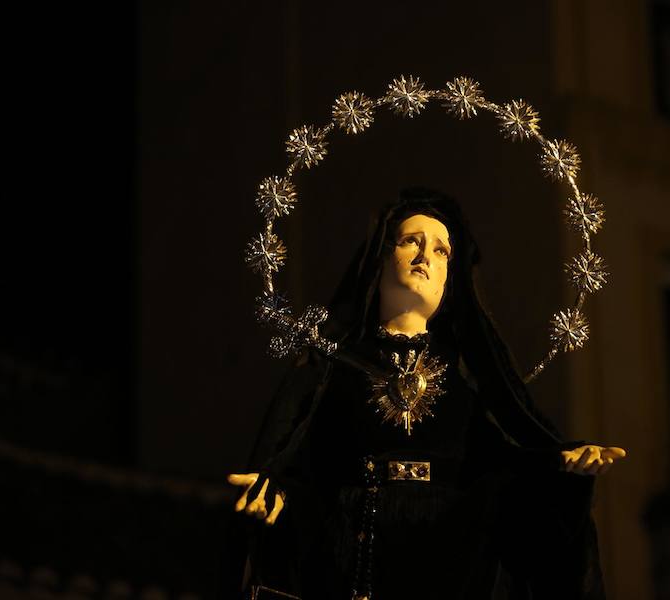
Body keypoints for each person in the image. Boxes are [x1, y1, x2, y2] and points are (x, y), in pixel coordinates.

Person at [223, 188, 625, 599]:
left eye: (440, 251)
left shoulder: (468, 378)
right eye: (411, 241)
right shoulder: (333, 367)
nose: (424, 257)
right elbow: (308, 465)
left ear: (451, 280)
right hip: (353, 556)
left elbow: (506, 468)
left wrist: (562, 469)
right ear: (379, 258)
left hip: (451, 562)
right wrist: (276, 492)